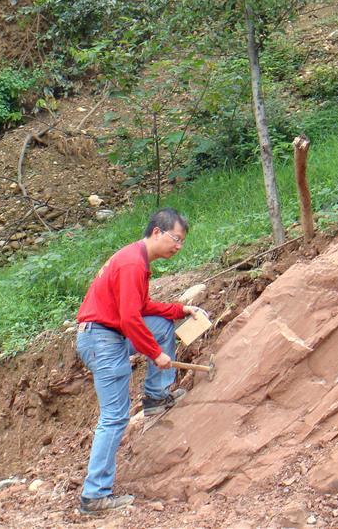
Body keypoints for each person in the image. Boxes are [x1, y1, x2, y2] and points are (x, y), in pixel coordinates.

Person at [74, 208, 204, 515]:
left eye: (182, 241)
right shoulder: (133, 263)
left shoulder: (136, 259)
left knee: (160, 327)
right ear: (157, 232)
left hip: (107, 332)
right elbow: (130, 319)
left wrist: (178, 309)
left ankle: (156, 397)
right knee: (115, 416)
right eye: (176, 238)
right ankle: (94, 496)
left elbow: (142, 307)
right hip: (101, 338)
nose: (179, 246)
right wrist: (156, 354)